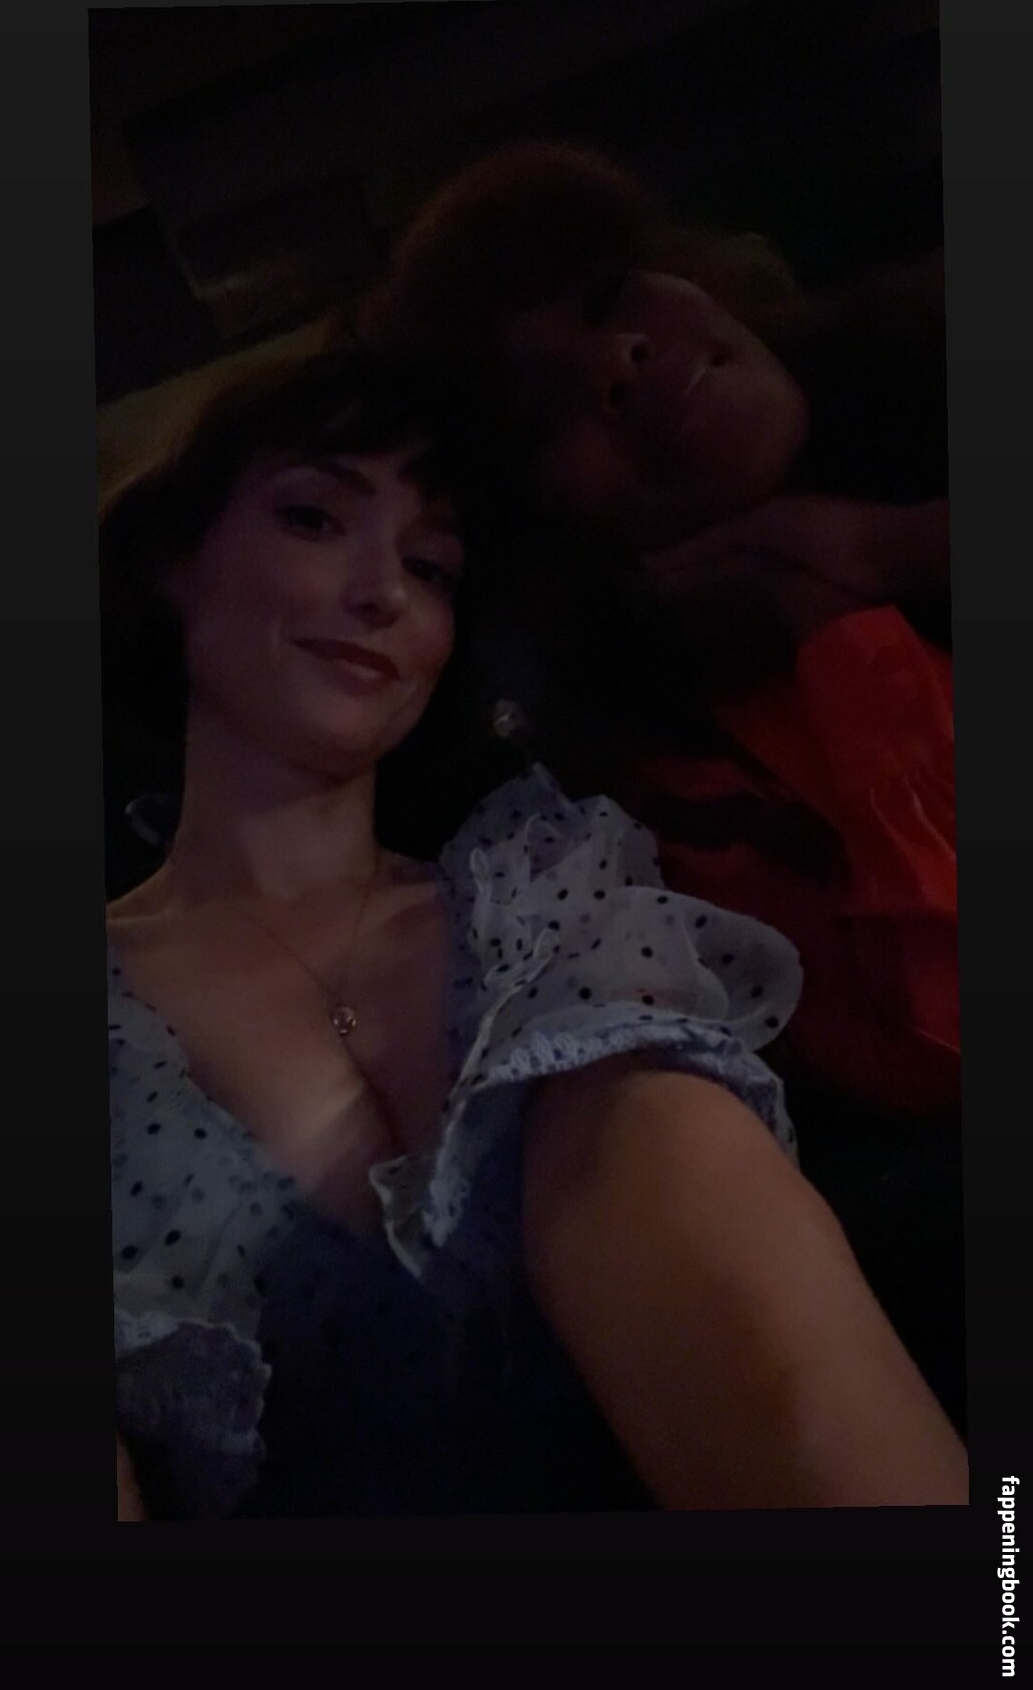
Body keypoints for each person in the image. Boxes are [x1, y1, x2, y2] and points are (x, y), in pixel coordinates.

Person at [103, 345, 966, 1518]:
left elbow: (675, 1197)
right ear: (174, 560)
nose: (384, 592)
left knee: (643, 1116)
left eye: (431, 566)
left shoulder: (542, 887)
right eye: (314, 519)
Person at [362, 140, 958, 1123]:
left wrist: (899, 548)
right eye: (540, 414)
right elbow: (944, 1033)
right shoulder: (680, 784)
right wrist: (840, 614)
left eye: (606, 297)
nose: (616, 360)